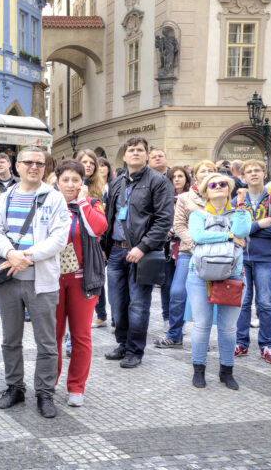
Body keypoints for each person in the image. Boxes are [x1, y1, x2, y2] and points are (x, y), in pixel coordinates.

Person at [0, 147, 71, 418]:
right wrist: (11, 254)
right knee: (10, 339)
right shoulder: (5, 197)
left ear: (45, 168)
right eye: (29, 163)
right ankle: (14, 387)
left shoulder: (55, 198)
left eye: (39, 163)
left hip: (41, 279)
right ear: (18, 166)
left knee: (46, 341)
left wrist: (27, 257)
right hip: (9, 278)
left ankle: (45, 392)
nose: (34, 167)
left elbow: (59, 239)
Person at [102, 137, 174, 368]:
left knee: (138, 305)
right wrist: (104, 249)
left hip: (140, 254)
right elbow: (110, 217)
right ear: (124, 156)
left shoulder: (158, 182)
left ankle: (135, 350)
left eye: (140, 150)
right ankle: (122, 343)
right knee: (117, 303)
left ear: (146, 155)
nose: (135, 153)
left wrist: (142, 247)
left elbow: (164, 220)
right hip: (115, 252)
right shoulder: (117, 183)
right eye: (131, 150)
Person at [187, 173, 251, 389]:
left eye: (223, 184)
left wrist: (241, 206)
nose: (219, 187)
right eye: (213, 185)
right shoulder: (197, 214)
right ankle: (199, 369)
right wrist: (229, 236)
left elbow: (242, 231)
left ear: (229, 189)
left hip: (232, 274)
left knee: (227, 327)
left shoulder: (239, 212)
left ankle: (227, 371)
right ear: (205, 191)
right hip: (199, 273)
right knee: (202, 324)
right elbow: (197, 236)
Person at [53, 161, 107, 407]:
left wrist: (84, 202)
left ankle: (76, 387)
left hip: (82, 279)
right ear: (57, 181)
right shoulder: (48, 204)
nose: (70, 184)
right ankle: (49, 381)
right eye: (66, 179)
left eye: (76, 179)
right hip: (52, 280)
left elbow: (98, 228)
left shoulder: (92, 204)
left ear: (83, 183)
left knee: (81, 336)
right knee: (51, 335)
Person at [154, 161, 216, 349]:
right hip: (188, 251)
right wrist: (195, 243)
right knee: (177, 292)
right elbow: (179, 225)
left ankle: (206, 337)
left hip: (214, 254)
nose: (206, 174)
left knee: (211, 296)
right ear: (195, 175)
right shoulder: (184, 198)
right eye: (202, 171)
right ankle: (175, 334)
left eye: (210, 171)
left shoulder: (221, 192)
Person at [234, 159, 271, 363]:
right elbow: (234, 230)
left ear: (264, 173)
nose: (253, 174)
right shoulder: (237, 201)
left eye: (257, 170)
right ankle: (241, 342)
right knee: (242, 303)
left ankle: (267, 345)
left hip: (266, 257)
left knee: (265, 303)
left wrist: (247, 230)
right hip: (241, 257)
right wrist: (259, 224)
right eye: (249, 171)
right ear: (242, 177)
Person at [158, 167, 192, 332]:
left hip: (185, 247)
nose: (177, 179)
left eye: (181, 176)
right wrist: (167, 231)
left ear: (186, 178)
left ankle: (180, 320)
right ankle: (167, 318)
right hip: (167, 247)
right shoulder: (164, 198)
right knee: (167, 284)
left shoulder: (192, 198)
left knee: (182, 287)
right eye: (174, 177)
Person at [93, 157, 115, 328]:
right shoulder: (93, 189)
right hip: (97, 239)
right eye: (98, 166)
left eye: (103, 166)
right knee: (98, 280)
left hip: (110, 239)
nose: (101, 169)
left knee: (110, 282)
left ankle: (116, 318)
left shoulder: (113, 187)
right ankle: (101, 314)